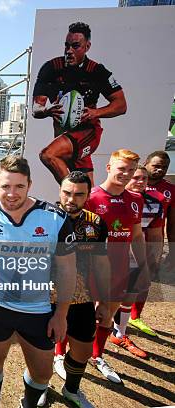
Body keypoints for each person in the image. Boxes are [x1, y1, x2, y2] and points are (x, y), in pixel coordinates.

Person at [0, 156, 77, 408]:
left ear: (30, 184)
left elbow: (67, 271)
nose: (11, 193)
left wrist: (61, 314)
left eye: (19, 186)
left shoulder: (55, 218)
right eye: (5, 186)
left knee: (42, 372)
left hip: (38, 309)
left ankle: (28, 404)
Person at [38, 171, 111, 407]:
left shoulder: (97, 223)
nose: (71, 199)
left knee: (82, 351)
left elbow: (101, 263)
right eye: (67, 192)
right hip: (44, 298)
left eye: (79, 194)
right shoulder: (43, 218)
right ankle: (39, 387)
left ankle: (71, 389)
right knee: (41, 351)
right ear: (59, 191)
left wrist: (104, 300)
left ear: (88, 195)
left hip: (81, 298)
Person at [32, 22, 127, 186]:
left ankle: (70, 193)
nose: (69, 51)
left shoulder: (97, 71)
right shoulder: (51, 68)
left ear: (87, 46)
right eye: (66, 46)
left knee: (48, 155)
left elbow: (121, 105)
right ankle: (80, 200)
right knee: (88, 192)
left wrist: (95, 112)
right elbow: (36, 109)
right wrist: (46, 110)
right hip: (64, 135)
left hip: (87, 132)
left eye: (75, 46)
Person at [84, 149, 147, 383]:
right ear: (109, 167)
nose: (126, 174)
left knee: (107, 315)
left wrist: (142, 266)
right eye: (122, 168)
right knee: (80, 315)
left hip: (119, 269)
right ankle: (60, 355)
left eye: (131, 170)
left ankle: (97, 355)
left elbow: (138, 236)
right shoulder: (90, 198)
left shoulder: (136, 200)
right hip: (91, 268)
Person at [107, 165, 165, 353]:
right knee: (103, 299)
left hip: (135, 256)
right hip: (110, 258)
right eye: (136, 177)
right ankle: (95, 337)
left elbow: (155, 234)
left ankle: (120, 333)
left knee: (129, 296)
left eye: (144, 179)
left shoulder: (155, 202)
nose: (140, 182)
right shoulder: (105, 198)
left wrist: (151, 261)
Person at [130, 151, 175, 335]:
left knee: (144, 279)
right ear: (146, 163)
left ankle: (135, 316)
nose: (160, 170)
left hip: (151, 242)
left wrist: (172, 250)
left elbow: (172, 223)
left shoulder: (170, 191)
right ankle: (114, 318)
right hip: (126, 242)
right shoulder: (132, 182)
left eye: (164, 167)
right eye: (156, 165)